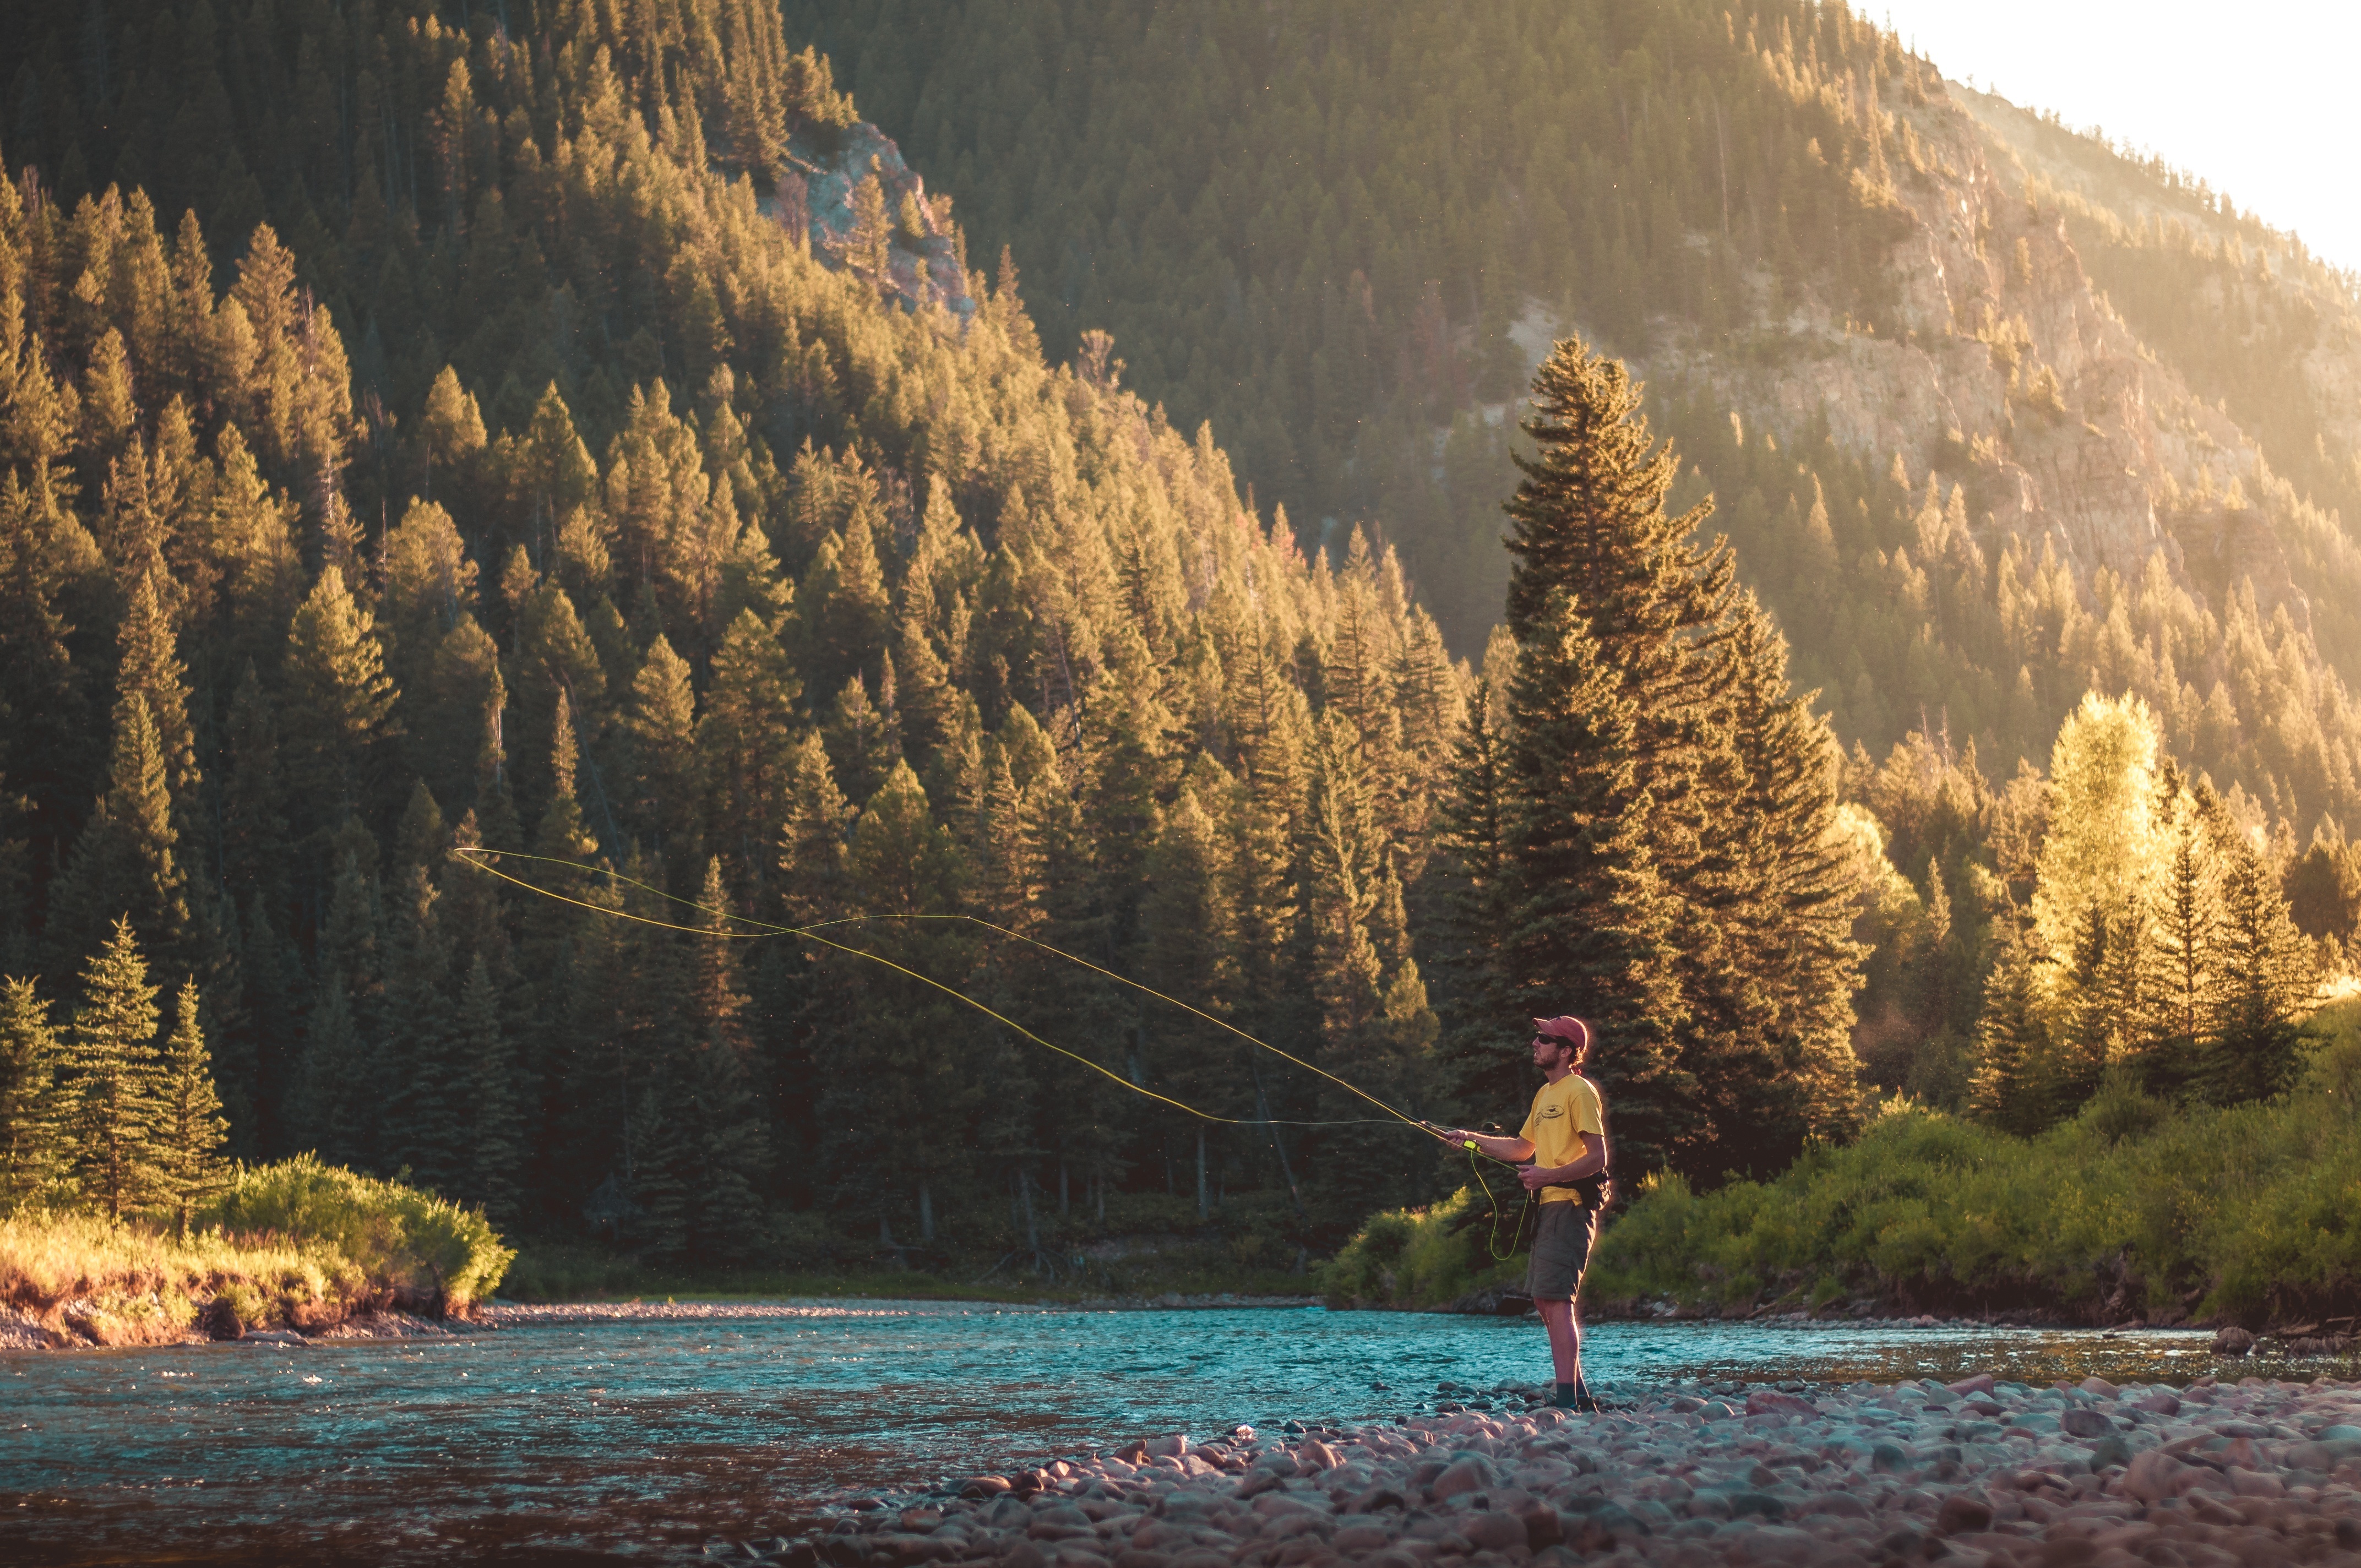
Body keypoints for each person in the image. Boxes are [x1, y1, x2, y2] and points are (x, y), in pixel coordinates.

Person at [1429, 1015, 1609, 1411]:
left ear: (1565, 1051)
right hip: (1547, 1208)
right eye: (1537, 1037)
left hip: (1572, 1206)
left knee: (1557, 1301)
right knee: (1545, 1302)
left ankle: (1567, 1403)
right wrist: (1470, 1139)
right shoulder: (1545, 1096)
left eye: (1544, 1039)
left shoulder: (1578, 1091)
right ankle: (1578, 1396)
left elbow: (1598, 1158)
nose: (1535, 1043)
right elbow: (1520, 1149)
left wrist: (1548, 1175)